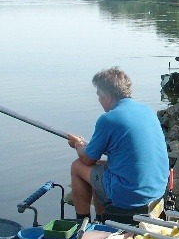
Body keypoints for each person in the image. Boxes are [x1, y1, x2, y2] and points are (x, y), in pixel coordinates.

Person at [67, 67, 169, 221]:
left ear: (107, 96)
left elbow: (87, 159)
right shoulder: (146, 110)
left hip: (132, 196)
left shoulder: (109, 119)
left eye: (99, 96)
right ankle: (102, 218)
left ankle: (81, 222)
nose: (99, 100)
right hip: (158, 190)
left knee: (77, 166)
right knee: (100, 168)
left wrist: (78, 145)